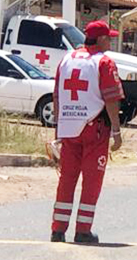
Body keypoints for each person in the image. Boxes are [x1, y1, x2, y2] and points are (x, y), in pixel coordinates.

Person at [50, 20, 124, 244]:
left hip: (69, 128)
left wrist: (58, 130)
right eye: (108, 38)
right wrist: (116, 131)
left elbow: (57, 96)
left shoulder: (66, 60)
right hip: (95, 129)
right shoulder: (103, 62)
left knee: (67, 179)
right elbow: (111, 99)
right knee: (92, 180)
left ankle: (58, 229)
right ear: (101, 39)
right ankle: (83, 230)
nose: (110, 42)